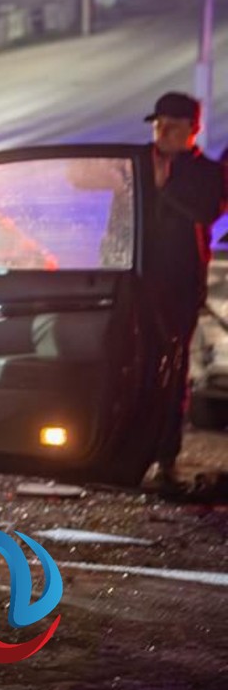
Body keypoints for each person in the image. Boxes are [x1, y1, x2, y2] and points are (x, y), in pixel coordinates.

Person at [139, 92, 226, 497]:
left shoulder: (205, 172)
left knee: (172, 374)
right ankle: (122, 451)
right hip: (132, 282)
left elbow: (207, 210)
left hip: (178, 284)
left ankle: (165, 459)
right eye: (158, 125)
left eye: (172, 126)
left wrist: (165, 184)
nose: (162, 133)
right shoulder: (139, 161)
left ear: (193, 130)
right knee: (131, 367)